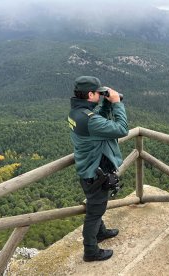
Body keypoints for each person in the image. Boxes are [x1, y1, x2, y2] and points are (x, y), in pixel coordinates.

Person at [68, 76, 128, 262]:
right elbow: (122, 129)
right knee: (94, 214)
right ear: (90, 94)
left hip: (88, 171)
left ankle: (100, 233)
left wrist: (106, 104)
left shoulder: (76, 113)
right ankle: (91, 251)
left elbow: (96, 119)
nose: (100, 95)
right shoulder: (89, 120)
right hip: (96, 174)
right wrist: (116, 103)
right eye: (98, 93)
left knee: (97, 208)